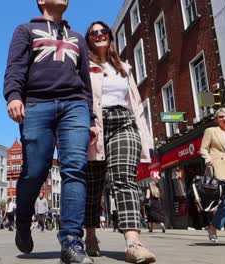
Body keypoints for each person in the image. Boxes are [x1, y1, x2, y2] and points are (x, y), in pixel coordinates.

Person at [3, 1, 96, 262]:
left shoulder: (77, 38)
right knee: (35, 170)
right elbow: (15, 67)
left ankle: (71, 242)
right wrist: (13, 96)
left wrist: (90, 117)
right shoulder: (25, 30)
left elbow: (86, 82)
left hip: (74, 105)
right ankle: (22, 219)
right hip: (36, 104)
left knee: (74, 168)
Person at [83, 21, 156, 263]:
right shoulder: (83, 66)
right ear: (89, 39)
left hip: (124, 123)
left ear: (110, 37)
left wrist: (145, 136)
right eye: (93, 33)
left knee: (124, 178)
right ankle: (91, 235)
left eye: (103, 31)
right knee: (92, 188)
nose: (99, 35)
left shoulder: (124, 67)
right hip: (94, 126)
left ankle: (133, 242)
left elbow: (135, 104)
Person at [200, 107, 225, 247]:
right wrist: (208, 158)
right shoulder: (211, 131)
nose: (224, 119)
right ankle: (214, 225)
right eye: (221, 117)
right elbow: (203, 149)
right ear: (217, 120)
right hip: (221, 168)